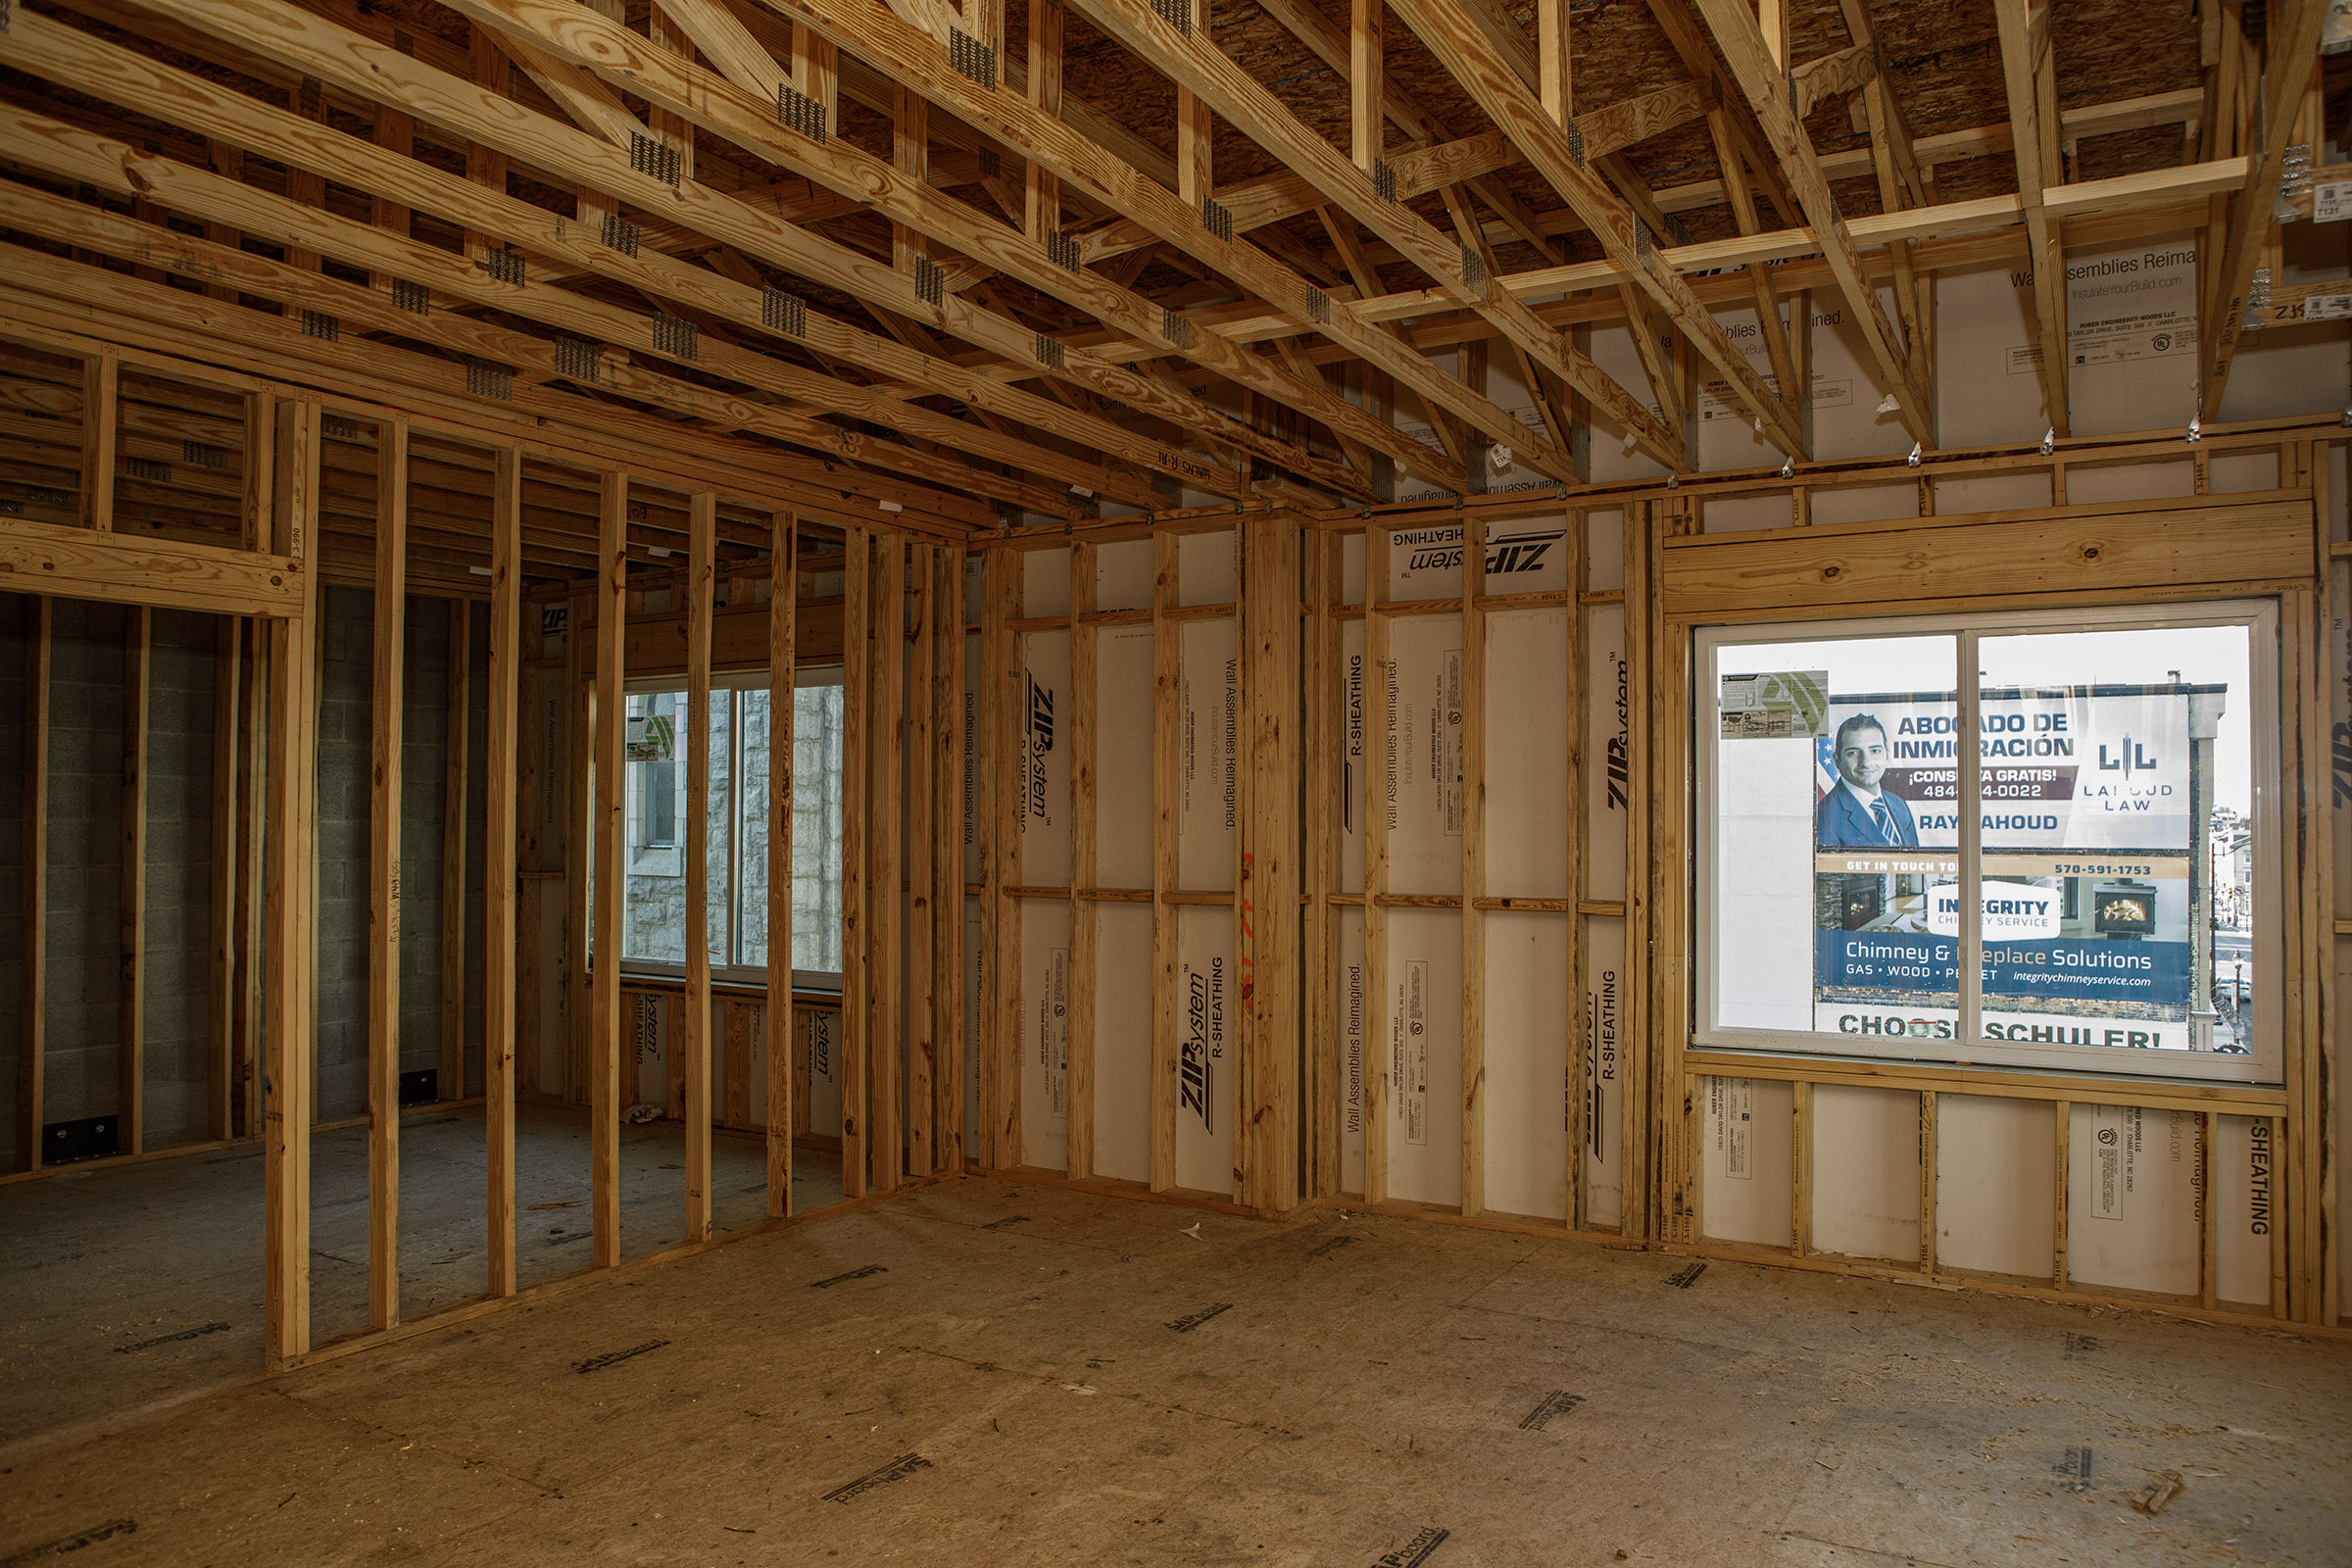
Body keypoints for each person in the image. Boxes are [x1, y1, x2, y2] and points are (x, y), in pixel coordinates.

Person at [1817, 713, 1919, 847]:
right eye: (1853, 753)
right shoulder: (1825, 817)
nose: (1866, 762)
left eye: (1875, 751)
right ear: (1837, 760)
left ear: (1887, 755)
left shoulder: (1899, 804)